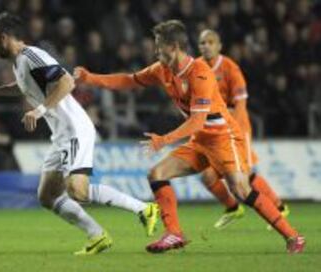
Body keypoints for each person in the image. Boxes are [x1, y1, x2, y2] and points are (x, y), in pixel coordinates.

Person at [74, 20, 305, 254]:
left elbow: (197, 121)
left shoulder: (200, 73)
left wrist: (164, 139)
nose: (155, 51)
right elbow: (129, 80)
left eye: (159, 46)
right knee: (157, 174)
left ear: (173, 47)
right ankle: (174, 233)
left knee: (241, 190)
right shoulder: (161, 70)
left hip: (223, 138)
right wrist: (90, 78)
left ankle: (293, 237)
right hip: (200, 141)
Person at [0, 12, 159, 256]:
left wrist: (39, 110)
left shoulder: (33, 56)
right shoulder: (19, 63)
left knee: (77, 190)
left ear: (5, 37)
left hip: (74, 129)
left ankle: (144, 209)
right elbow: (23, 88)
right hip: (61, 135)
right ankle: (97, 235)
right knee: (47, 195)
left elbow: (67, 81)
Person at [197, 29, 289, 230]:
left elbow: (240, 103)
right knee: (207, 175)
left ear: (219, 46)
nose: (206, 46)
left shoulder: (230, 68)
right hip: (211, 133)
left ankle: (279, 208)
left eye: (211, 42)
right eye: (203, 43)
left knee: (244, 177)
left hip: (236, 130)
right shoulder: (196, 68)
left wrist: (230, 126)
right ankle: (232, 208)